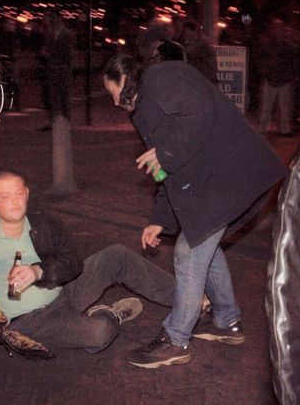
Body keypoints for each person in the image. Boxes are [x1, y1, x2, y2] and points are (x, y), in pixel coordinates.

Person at [103, 55, 287, 369]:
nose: (115, 101)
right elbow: (163, 170)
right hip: (212, 185)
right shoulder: (144, 111)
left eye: (112, 92)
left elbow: (199, 111)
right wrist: (159, 220)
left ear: (122, 79)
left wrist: (164, 153)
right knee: (205, 248)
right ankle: (227, 321)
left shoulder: (160, 77)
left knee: (188, 254)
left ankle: (175, 340)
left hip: (230, 177)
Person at [0, 170, 178, 369]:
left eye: (19, 194)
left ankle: (187, 301)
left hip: (62, 290)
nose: (15, 203)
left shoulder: (41, 222)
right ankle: (108, 313)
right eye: (5, 197)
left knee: (117, 255)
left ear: (27, 193)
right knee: (100, 334)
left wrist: (39, 271)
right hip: (29, 321)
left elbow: (72, 262)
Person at [257, 16, 298, 135]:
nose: (277, 30)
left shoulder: (288, 45)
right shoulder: (267, 44)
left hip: (282, 79)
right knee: (267, 106)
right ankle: (264, 128)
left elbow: (292, 63)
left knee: (283, 107)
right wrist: (265, 72)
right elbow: (261, 59)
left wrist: (289, 76)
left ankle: (284, 129)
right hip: (271, 78)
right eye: (275, 27)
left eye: (279, 28)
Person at [178, 20, 217, 84]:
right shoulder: (182, 46)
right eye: (184, 33)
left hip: (201, 84)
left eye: (186, 32)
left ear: (194, 32)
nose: (184, 35)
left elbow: (211, 74)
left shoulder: (206, 49)